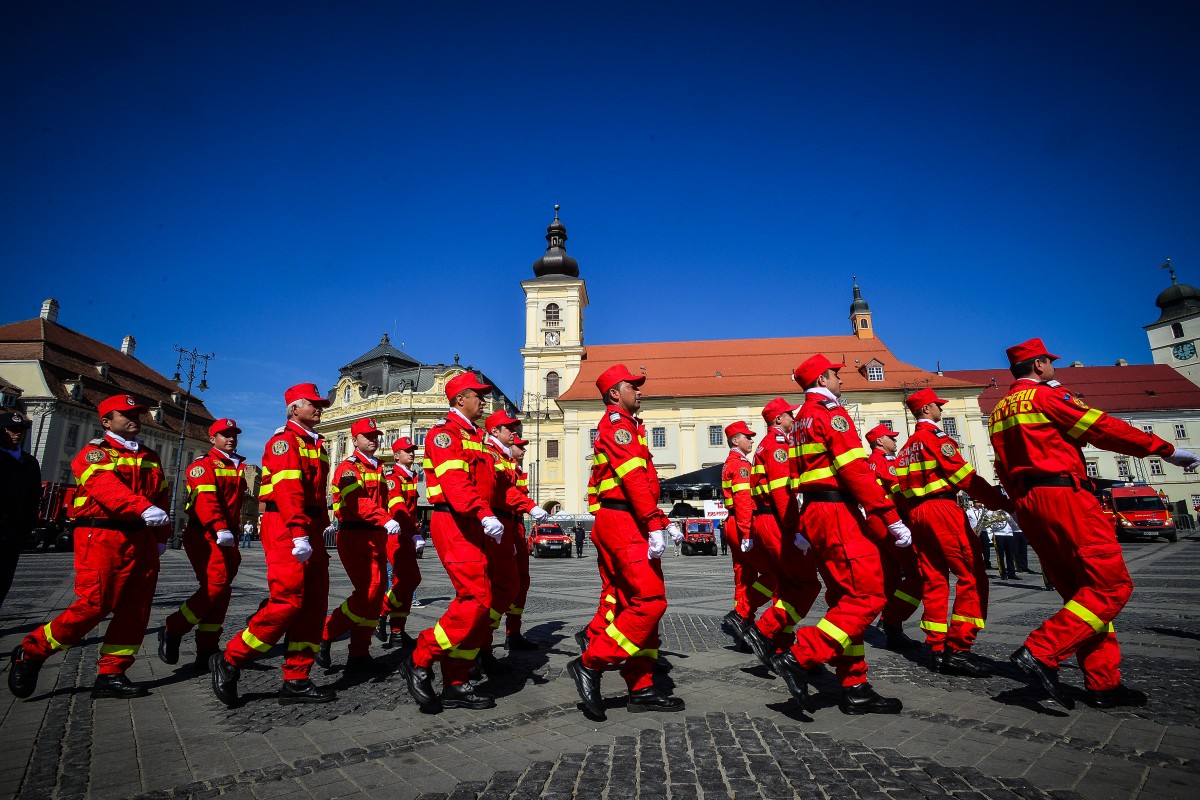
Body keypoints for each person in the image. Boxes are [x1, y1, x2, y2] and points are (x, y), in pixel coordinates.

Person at [990, 338, 1200, 710]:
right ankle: (1041, 650)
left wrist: (1017, 505)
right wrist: (1167, 451)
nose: (1054, 367)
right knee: (1110, 586)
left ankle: (1103, 683)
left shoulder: (999, 410)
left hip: (1030, 501)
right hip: (1065, 496)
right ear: (1039, 365)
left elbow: (1002, 467)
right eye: (1050, 363)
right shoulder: (1047, 398)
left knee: (1081, 595)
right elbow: (1103, 429)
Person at [769, 356, 911, 716]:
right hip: (837, 511)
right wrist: (889, 515)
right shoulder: (830, 414)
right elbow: (854, 469)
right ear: (823, 377)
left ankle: (855, 685)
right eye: (837, 375)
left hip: (818, 512)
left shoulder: (799, 419)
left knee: (844, 600)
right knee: (867, 594)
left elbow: (796, 478)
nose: (842, 382)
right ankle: (800, 656)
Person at [9, 394, 171, 700]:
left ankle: (112, 673)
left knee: (136, 608)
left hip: (141, 538)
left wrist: (162, 535)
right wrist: (139, 507)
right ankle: (32, 651)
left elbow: (161, 495)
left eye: (136, 413)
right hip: (103, 536)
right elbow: (104, 486)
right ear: (106, 421)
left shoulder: (150, 456)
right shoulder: (94, 453)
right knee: (94, 604)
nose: (134, 418)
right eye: (125, 414)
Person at [567, 364, 685, 719]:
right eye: (633, 386)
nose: (640, 391)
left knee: (633, 604)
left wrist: (662, 520)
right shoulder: (617, 426)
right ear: (615, 394)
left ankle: (642, 687)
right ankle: (591, 663)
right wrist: (653, 522)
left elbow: (638, 485)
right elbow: (632, 479)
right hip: (624, 522)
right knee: (649, 602)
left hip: (626, 518)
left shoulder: (630, 426)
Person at [210, 383, 337, 707]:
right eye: (313, 404)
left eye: (321, 404)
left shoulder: (317, 444)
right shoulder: (284, 442)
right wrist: (298, 531)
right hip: (286, 525)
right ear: (295, 409)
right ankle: (231, 658)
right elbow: (287, 489)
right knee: (287, 602)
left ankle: (296, 679)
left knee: (314, 605)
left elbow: (317, 495)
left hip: (306, 527)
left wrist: (318, 529)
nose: (320, 408)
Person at [400, 372, 504, 712]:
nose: (484, 400)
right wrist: (482, 513)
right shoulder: (444, 435)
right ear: (460, 399)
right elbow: (455, 482)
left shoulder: (474, 434)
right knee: (474, 598)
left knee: (482, 601)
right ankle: (421, 656)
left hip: (473, 522)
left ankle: (456, 681)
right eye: (478, 395)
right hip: (456, 521)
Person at [895, 387, 1010, 679]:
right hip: (942, 510)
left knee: (934, 580)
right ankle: (959, 649)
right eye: (936, 405)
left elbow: (898, 488)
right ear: (925, 410)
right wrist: (1002, 502)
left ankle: (936, 649)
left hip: (917, 514)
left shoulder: (907, 447)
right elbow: (964, 477)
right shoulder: (937, 440)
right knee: (972, 575)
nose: (940, 409)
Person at [160, 418, 248, 671]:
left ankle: (207, 647)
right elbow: (206, 500)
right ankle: (173, 627)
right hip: (206, 534)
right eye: (224, 434)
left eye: (234, 434)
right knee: (216, 586)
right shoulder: (203, 466)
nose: (231, 438)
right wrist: (219, 526)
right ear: (212, 439)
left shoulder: (237, 465)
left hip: (227, 534)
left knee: (222, 591)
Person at [741, 398, 820, 671]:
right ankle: (764, 631)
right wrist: (795, 528)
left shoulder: (766, 444)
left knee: (786, 584)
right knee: (807, 584)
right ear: (778, 420)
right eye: (789, 415)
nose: (792, 418)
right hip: (776, 520)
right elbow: (781, 492)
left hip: (766, 519)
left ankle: (780, 642)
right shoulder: (777, 445)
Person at [317, 417, 399, 672]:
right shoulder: (348, 468)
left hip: (375, 534)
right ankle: (326, 633)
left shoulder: (377, 467)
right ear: (354, 441)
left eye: (375, 436)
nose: (373, 440)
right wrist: (385, 519)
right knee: (370, 590)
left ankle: (359, 653)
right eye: (367, 436)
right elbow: (357, 501)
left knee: (375, 596)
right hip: (355, 534)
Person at [480, 409, 547, 671]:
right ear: (495, 431)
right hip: (497, 524)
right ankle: (482, 644)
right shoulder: (492, 456)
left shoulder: (507, 462)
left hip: (511, 525)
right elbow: (499, 494)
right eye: (511, 431)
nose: (518, 440)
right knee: (499, 586)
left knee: (517, 583)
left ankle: (508, 634)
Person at [862, 423, 923, 651]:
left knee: (890, 579)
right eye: (891, 437)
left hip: (881, 525)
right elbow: (898, 491)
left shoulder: (876, 462)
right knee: (918, 574)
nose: (895, 441)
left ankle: (891, 626)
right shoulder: (882, 462)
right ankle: (892, 621)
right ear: (880, 441)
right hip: (890, 523)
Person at [719, 420, 772, 649]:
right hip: (743, 523)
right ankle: (743, 616)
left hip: (732, 524)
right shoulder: (741, 465)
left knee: (743, 578)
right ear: (734, 440)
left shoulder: (730, 462)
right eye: (747, 436)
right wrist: (747, 532)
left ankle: (743, 629)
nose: (751, 440)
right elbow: (742, 501)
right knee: (773, 573)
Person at [377, 436, 422, 649]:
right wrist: (414, 533)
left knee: (406, 581)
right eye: (406, 450)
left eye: (412, 449)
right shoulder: (394, 477)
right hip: (397, 536)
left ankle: (397, 630)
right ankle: (382, 612)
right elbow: (398, 508)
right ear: (396, 455)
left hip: (406, 535)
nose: (411, 453)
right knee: (406, 579)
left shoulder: (410, 477)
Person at [505, 434, 543, 649]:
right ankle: (484, 641)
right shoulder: (502, 465)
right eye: (519, 446)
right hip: (504, 525)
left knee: (522, 581)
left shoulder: (517, 470)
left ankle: (513, 632)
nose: (523, 450)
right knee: (503, 584)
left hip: (516, 526)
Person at [0, 412, 40, 611]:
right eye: (12, 430)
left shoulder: (29, 462)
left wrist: (27, 530)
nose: (17, 435)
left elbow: (33, 499)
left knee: (4, 579)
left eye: (21, 431)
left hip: (12, 532)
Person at [988, 508, 1020, 580]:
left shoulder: (1007, 512)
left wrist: (1010, 517)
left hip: (1009, 534)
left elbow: (1014, 523)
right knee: (1000, 556)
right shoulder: (990, 512)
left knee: (1010, 555)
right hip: (998, 534)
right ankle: (1003, 573)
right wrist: (996, 518)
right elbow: (988, 523)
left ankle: (1012, 573)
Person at [965, 501, 992, 570]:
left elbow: (988, 519)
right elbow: (966, 522)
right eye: (978, 503)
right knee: (977, 548)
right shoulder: (969, 511)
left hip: (984, 530)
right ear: (974, 503)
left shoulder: (983, 511)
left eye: (980, 503)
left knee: (986, 547)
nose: (979, 504)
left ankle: (987, 562)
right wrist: (971, 529)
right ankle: (978, 562)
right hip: (975, 532)